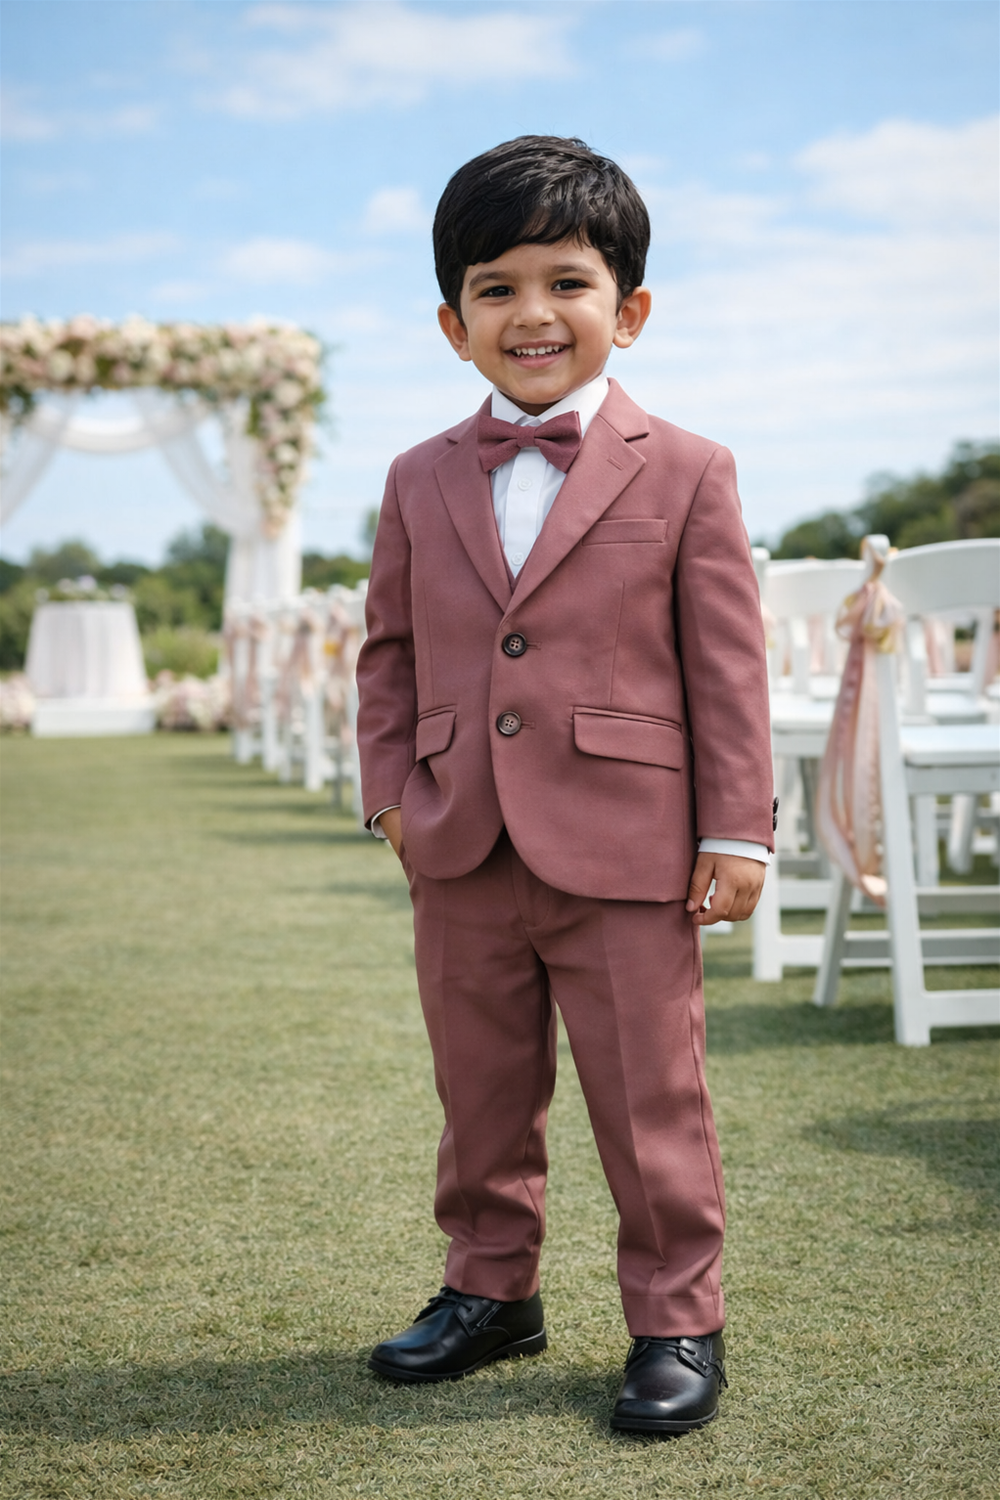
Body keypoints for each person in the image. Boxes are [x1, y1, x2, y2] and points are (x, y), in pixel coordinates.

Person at [355, 135, 774, 1435]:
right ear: (452, 322)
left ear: (628, 310)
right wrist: (387, 799)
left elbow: (727, 662)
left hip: (632, 846)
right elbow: (387, 649)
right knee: (476, 1089)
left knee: (650, 1097)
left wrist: (737, 830)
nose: (532, 312)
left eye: (566, 281)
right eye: (495, 286)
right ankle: (491, 1292)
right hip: (461, 842)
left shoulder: (690, 468)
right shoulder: (418, 477)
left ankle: (676, 1319)